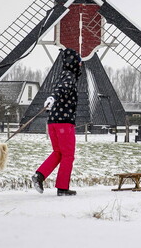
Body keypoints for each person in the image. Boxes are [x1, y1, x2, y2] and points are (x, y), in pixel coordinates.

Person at [31, 48, 81, 196]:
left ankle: (39, 176)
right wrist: (53, 97)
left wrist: (52, 99)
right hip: (64, 122)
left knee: (58, 152)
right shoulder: (70, 76)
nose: (80, 66)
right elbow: (62, 89)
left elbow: (59, 88)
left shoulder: (61, 75)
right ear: (73, 63)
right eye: (79, 63)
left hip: (53, 122)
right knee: (68, 155)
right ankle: (63, 188)